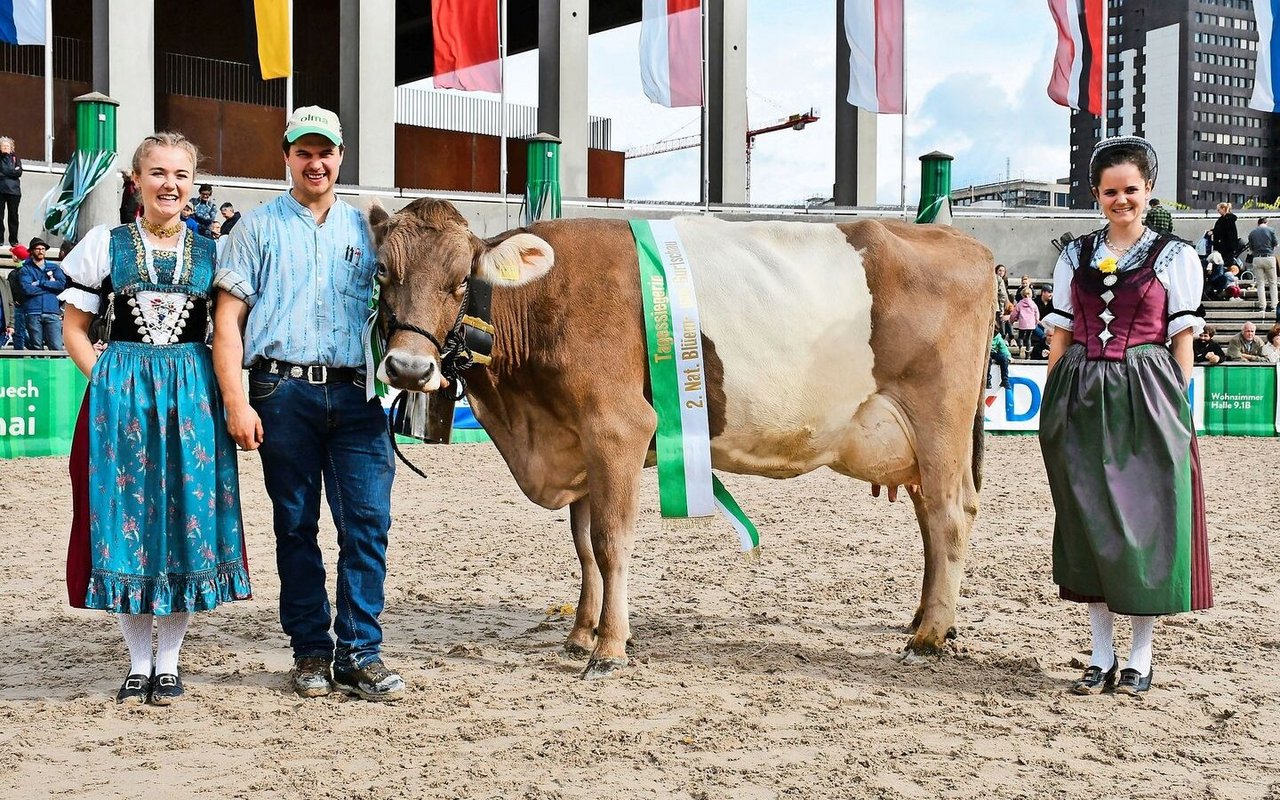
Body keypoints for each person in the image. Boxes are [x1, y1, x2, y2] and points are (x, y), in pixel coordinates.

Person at [212, 106, 402, 702]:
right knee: (295, 526)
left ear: (340, 157)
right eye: (303, 152)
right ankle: (311, 653)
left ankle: (360, 652)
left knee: (367, 525)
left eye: (325, 152)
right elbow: (227, 320)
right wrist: (237, 402)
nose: (315, 163)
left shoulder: (371, 233)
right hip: (280, 391)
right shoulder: (256, 228)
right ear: (287, 157)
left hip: (357, 395)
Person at [58, 132, 252, 705]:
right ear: (136, 181)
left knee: (185, 518)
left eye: (181, 175)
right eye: (159, 173)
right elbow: (73, 328)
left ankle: (169, 660)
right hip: (120, 405)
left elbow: (227, 332)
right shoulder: (104, 244)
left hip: (192, 399)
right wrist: (109, 379)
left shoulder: (214, 253)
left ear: (193, 185)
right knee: (129, 521)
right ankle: (137, 661)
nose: (171, 184)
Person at [1039, 136, 1211, 697]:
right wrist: (1053, 401)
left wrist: (1178, 404)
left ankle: (1141, 654)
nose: (1121, 200)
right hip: (1080, 391)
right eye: (1110, 191)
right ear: (1096, 193)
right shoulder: (1074, 254)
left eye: (1130, 190)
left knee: (1144, 521)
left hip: (1146, 391)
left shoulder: (1175, 256)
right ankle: (1100, 652)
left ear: (1149, 190)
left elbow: (1181, 337)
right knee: (1088, 520)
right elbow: (1060, 333)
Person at [18, 237, 68, 350]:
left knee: (57, 347)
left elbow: (61, 285)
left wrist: (40, 283)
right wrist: (50, 288)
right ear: (31, 251)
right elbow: (27, 289)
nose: (41, 251)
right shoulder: (25, 270)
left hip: (52, 311)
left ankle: (57, 368)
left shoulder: (54, 268)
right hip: (33, 312)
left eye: (43, 248)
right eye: (37, 249)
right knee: (36, 348)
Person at [1246, 217, 1277, 313]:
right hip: (1269, 257)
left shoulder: (1252, 233)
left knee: (1260, 283)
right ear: (1266, 222)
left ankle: (1262, 306)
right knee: (1272, 283)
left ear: (1258, 223)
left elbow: (1251, 248)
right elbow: (1275, 244)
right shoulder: (1271, 230)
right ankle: (1274, 305)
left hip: (1257, 258)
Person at [7, 243, 29, 350]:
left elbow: (12, 291)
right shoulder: (31, 270)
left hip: (19, 307)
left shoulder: (14, 274)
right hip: (31, 306)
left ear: (16, 257)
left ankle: (19, 356)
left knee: (19, 333)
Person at [0, 136, 21, 247]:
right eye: (3, 146)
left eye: (7, 146)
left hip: (14, 192)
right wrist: (12, 171)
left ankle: (13, 240)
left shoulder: (15, 158)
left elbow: (19, 173)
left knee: (13, 216)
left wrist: (5, 172)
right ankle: (0, 239)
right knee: (0, 215)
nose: (5, 148)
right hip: (1, 190)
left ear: (11, 147)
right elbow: (14, 172)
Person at [1012, 287, 1039, 357]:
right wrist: (1036, 320)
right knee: (1028, 338)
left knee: (1020, 337)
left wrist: (1012, 320)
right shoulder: (1033, 304)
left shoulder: (1020, 304)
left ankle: (1020, 348)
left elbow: (1014, 313)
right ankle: (1028, 354)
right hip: (1031, 324)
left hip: (1022, 323)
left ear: (1022, 295)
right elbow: (1036, 312)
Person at [1212, 202, 1239, 267]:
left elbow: (1223, 230)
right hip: (1227, 245)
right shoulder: (1227, 219)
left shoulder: (1226, 219)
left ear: (1223, 209)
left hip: (1226, 246)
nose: (1218, 211)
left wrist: (1214, 231)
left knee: (1225, 262)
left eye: (1219, 210)